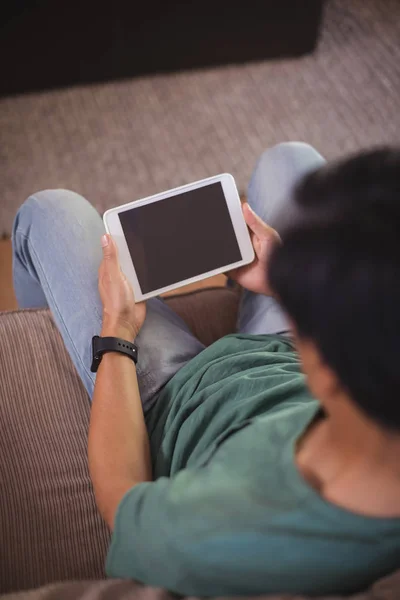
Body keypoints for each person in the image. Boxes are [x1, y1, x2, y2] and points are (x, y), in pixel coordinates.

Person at [12, 142, 400, 597]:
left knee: (48, 210)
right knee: (290, 158)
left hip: (175, 398)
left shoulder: (233, 529)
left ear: (332, 369)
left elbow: (122, 498)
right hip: (283, 358)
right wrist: (286, 281)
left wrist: (116, 328)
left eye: (305, 308)